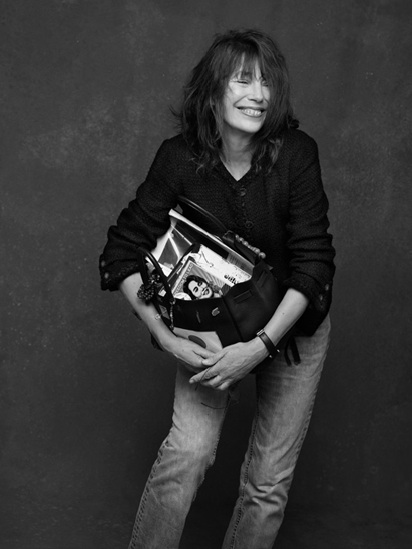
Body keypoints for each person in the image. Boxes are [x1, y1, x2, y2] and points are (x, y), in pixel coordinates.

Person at [99, 28, 335, 549]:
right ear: (212, 92)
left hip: (292, 332)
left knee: (267, 483)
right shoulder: (179, 158)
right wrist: (168, 338)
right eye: (243, 80)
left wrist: (261, 346)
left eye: (267, 83)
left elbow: (314, 264)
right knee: (188, 453)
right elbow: (121, 251)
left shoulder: (297, 153)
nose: (258, 94)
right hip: (211, 332)